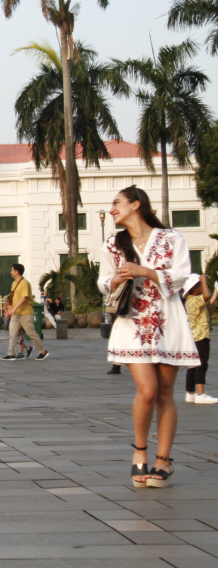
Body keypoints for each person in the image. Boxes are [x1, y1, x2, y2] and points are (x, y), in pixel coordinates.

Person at [99, 186, 199, 489]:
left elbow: (183, 274)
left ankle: (163, 460)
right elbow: (104, 282)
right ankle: (140, 451)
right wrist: (117, 277)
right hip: (133, 322)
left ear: (136, 204)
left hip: (167, 320)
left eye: (117, 203)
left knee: (165, 393)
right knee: (148, 391)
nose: (113, 209)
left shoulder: (172, 238)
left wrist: (145, 270)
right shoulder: (113, 244)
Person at [1, 264, 48, 361]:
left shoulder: (25, 283)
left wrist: (14, 309)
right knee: (12, 334)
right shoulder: (14, 283)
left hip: (25, 313)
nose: (11, 272)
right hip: (15, 315)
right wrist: (10, 310)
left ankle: (42, 351)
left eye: (12, 270)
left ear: (17, 271)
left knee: (31, 333)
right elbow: (12, 298)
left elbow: (24, 298)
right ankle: (11, 354)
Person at [183, 274, 216, 404]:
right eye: (201, 285)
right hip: (200, 337)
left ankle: (190, 393)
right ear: (195, 288)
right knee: (201, 364)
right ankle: (200, 393)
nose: (204, 286)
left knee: (192, 366)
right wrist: (203, 280)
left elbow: (208, 306)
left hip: (194, 337)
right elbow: (207, 296)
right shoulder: (195, 300)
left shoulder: (191, 300)